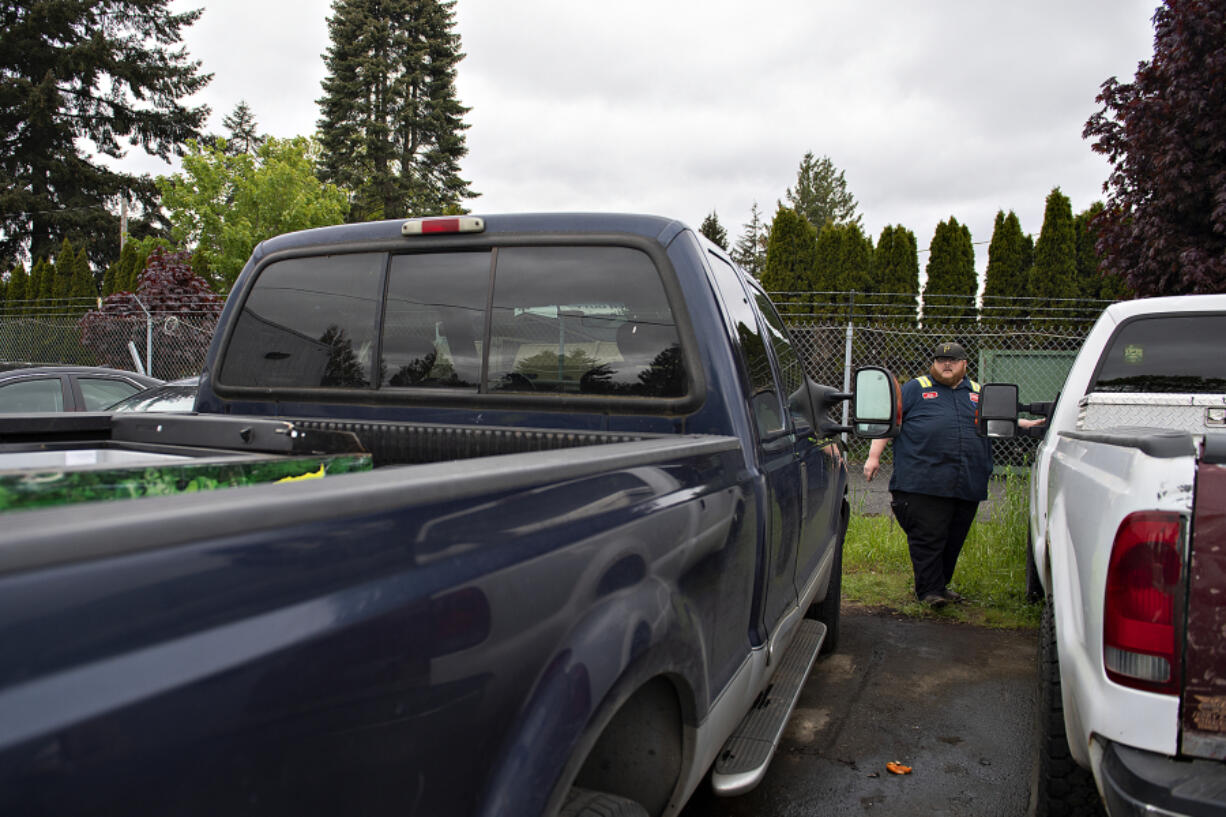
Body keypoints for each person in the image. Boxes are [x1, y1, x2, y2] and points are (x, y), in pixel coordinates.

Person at [863, 341, 1040, 608]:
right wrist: (873, 456)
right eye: (941, 360)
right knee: (928, 536)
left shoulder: (979, 392)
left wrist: (1026, 423)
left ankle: (939, 586)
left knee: (953, 538)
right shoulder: (915, 388)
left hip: (966, 481)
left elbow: (1001, 419)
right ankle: (929, 592)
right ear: (933, 363)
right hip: (922, 482)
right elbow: (890, 421)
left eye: (953, 360)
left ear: (964, 364)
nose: (947, 364)